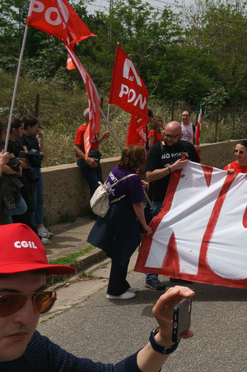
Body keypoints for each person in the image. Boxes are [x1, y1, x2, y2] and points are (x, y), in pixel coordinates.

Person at [0, 223, 194, 369]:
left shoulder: (33, 347)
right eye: (6, 302)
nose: (27, 318)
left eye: (40, 299)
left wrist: (164, 339)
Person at [87, 145, 151, 300]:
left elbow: (121, 188)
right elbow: (137, 205)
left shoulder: (117, 169)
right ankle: (115, 291)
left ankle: (122, 284)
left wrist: (137, 186)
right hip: (123, 217)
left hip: (113, 213)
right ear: (138, 160)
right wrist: (145, 225)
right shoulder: (133, 177)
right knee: (121, 253)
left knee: (122, 252)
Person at [143, 122, 200, 291]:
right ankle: (151, 276)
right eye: (166, 135)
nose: (167, 139)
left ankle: (174, 272)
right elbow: (150, 175)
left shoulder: (188, 148)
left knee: (179, 238)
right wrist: (172, 168)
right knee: (157, 237)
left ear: (180, 135)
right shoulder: (156, 150)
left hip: (182, 201)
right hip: (160, 200)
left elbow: (200, 170)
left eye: (171, 136)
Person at [17, 117, 48, 241]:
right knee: (32, 200)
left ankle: (40, 225)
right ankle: (34, 229)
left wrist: (42, 137)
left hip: (37, 169)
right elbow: (27, 155)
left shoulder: (33, 137)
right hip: (30, 171)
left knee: (40, 198)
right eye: (35, 127)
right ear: (28, 127)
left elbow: (42, 153)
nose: (37, 129)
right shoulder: (22, 138)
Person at [73, 109, 111, 198]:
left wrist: (102, 137)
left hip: (95, 159)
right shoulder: (81, 130)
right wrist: (87, 159)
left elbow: (94, 144)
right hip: (87, 161)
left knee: (101, 184)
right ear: (89, 118)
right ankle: (95, 209)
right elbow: (76, 148)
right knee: (95, 186)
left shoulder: (93, 129)